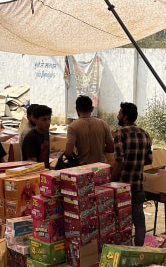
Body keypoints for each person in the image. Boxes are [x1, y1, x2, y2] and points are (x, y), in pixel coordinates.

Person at [111, 102, 153, 246]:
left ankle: (122, 251)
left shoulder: (120, 133)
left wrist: (111, 180)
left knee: (120, 224)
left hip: (122, 187)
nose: (118, 115)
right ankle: (139, 250)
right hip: (138, 186)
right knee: (139, 222)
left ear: (125, 117)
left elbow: (119, 160)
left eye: (120, 113)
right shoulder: (144, 133)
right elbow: (149, 159)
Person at [64, 95, 114, 165]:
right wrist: (99, 150)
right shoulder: (103, 124)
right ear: (92, 109)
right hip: (101, 168)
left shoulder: (72, 126)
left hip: (82, 169)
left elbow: (68, 152)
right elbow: (111, 148)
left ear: (77, 109)